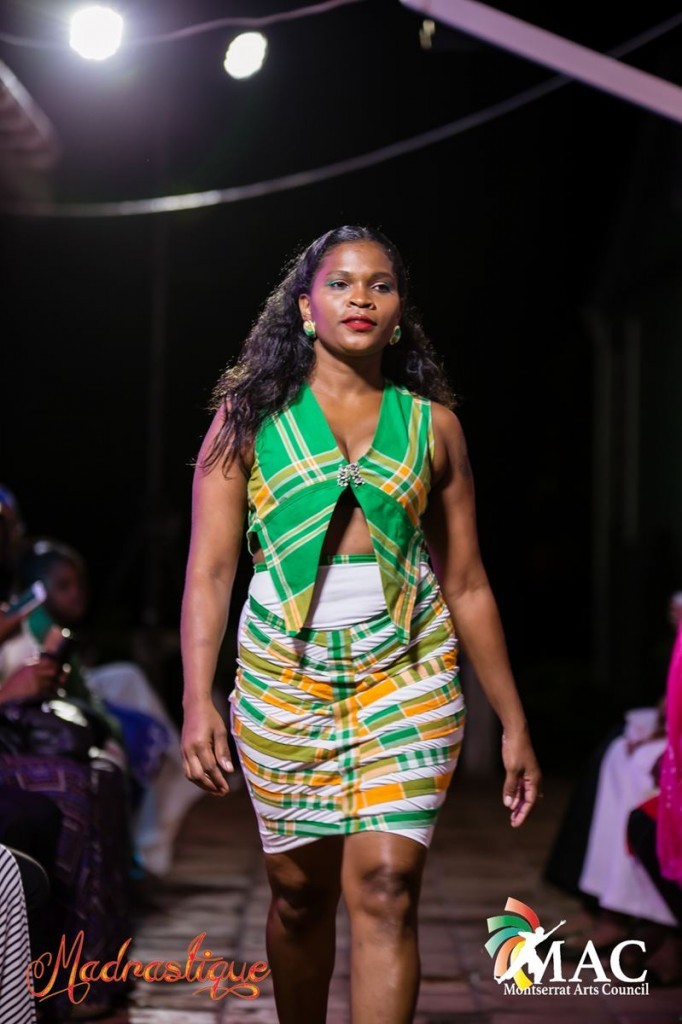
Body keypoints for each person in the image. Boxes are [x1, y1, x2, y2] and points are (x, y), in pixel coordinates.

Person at [180, 225, 541, 1024]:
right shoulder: (247, 420)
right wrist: (196, 696)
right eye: (341, 283)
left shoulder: (434, 427)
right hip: (285, 680)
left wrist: (514, 721)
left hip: (406, 672)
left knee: (387, 887)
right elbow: (209, 572)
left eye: (381, 285)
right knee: (300, 898)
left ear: (400, 312)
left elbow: (467, 580)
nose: (362, 298)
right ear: (306, 308)